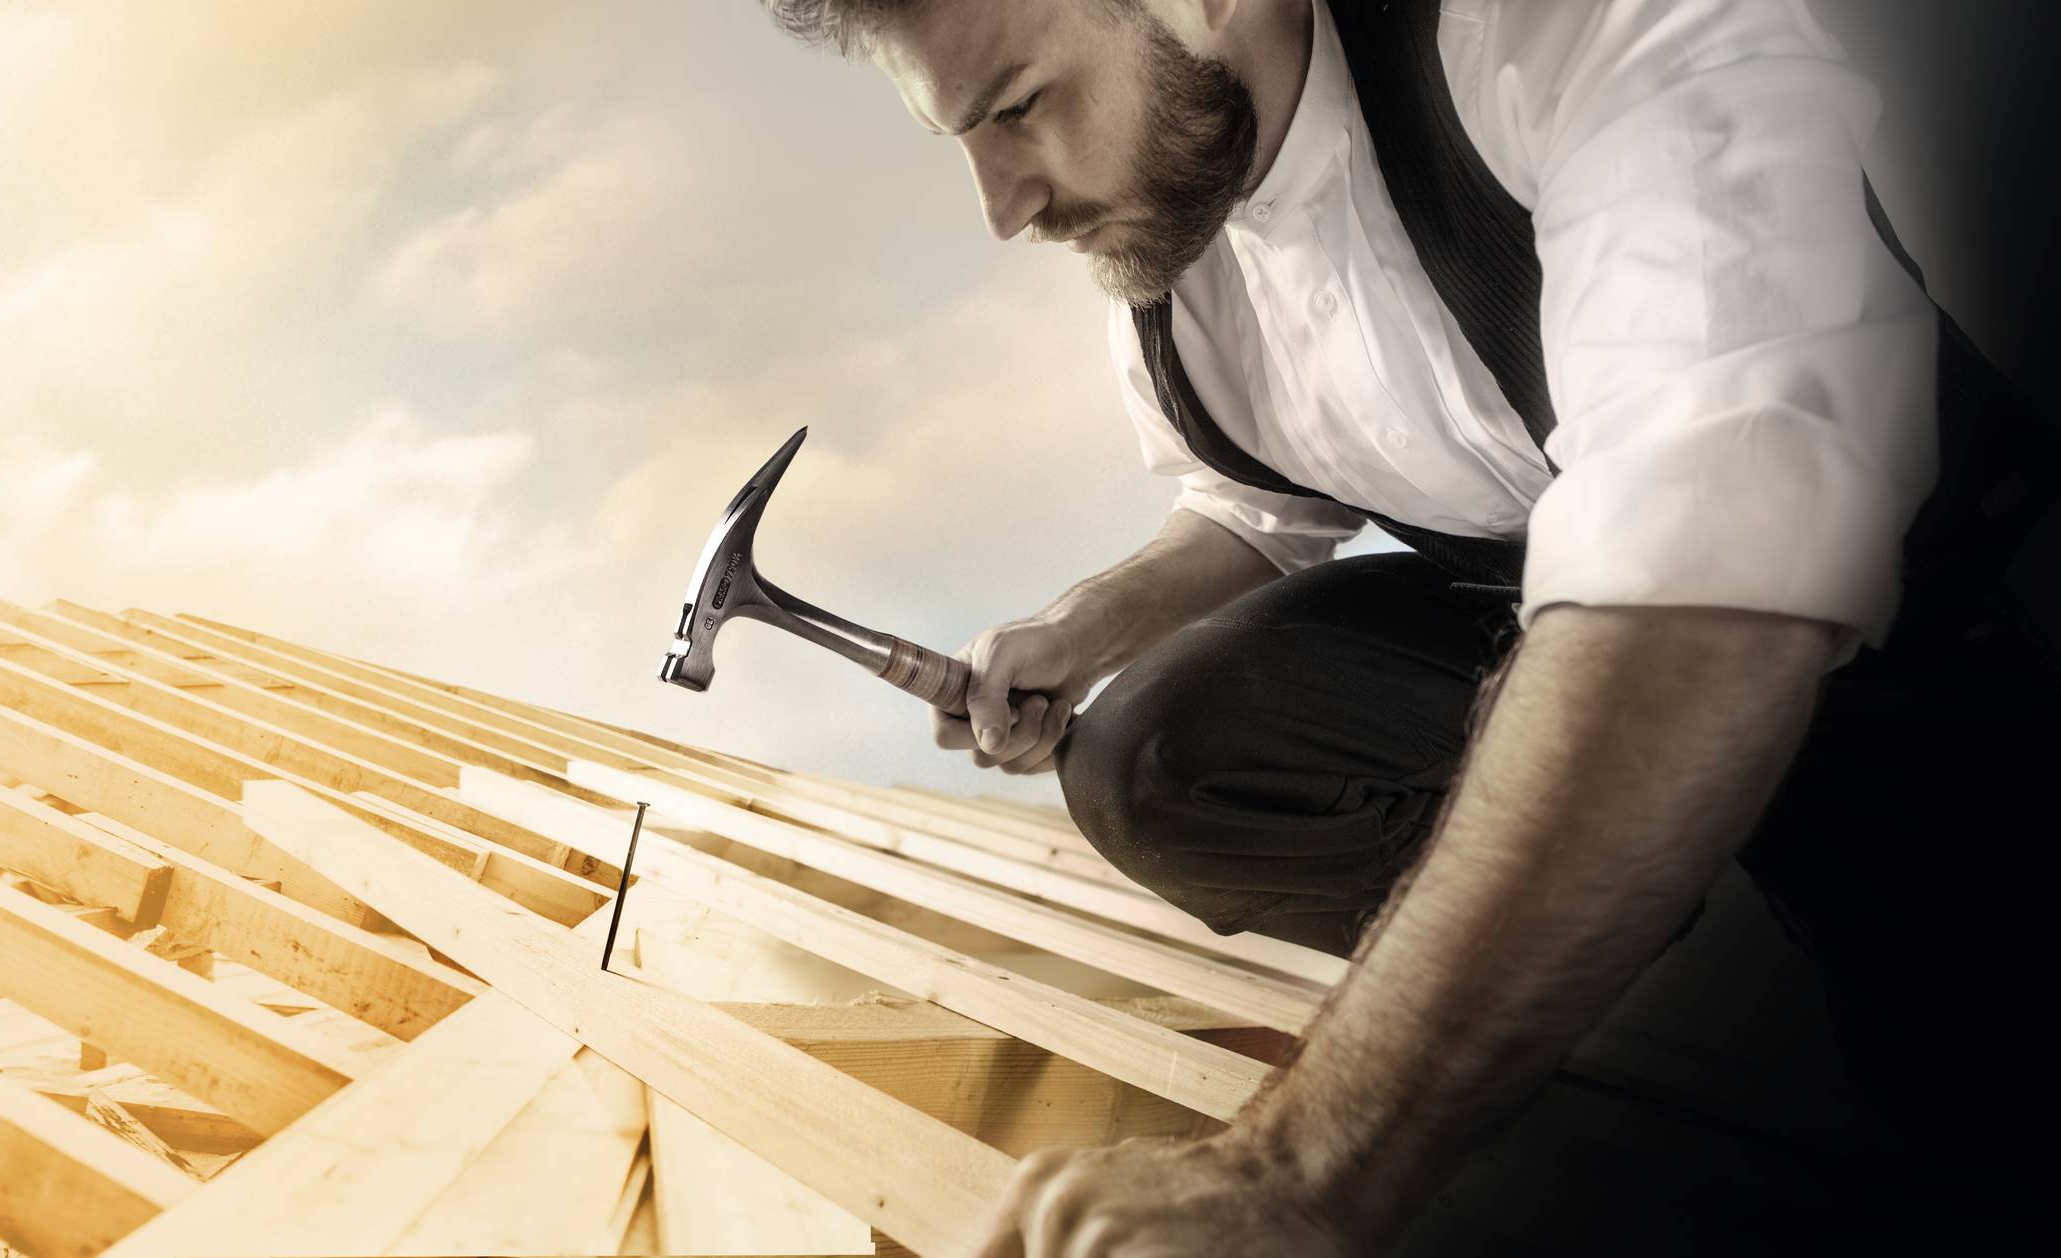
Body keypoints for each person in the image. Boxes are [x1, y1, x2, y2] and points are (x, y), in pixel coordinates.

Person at [755, 0, 2056, 1252]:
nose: (1004, 205)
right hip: (1555, 635)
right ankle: (1583, 942)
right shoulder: (1167, 271)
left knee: (1972, 1126)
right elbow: (1252, 505)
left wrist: (1293, 1173)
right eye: (966, 138)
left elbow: (1712, 561)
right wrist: (1082, 624)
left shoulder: (1546, 31)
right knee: (1149, 754)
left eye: (1022, 106)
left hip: (1937, 660)